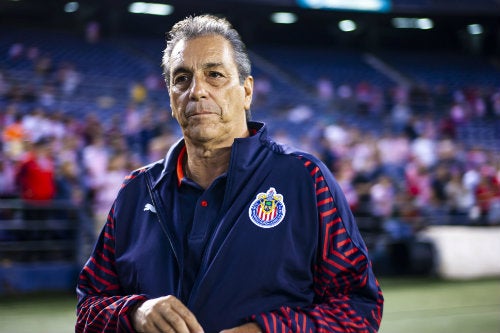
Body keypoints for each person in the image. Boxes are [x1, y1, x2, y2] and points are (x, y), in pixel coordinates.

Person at [76, 14, 384, 333]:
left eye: (214, 75)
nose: (196, 91)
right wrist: (135, 313)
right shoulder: (137, 190)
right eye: (182, 78)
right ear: (170, 97)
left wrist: (266, 331)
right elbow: (87, 309)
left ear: (246, 91)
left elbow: (358, 309)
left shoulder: (304, 179)